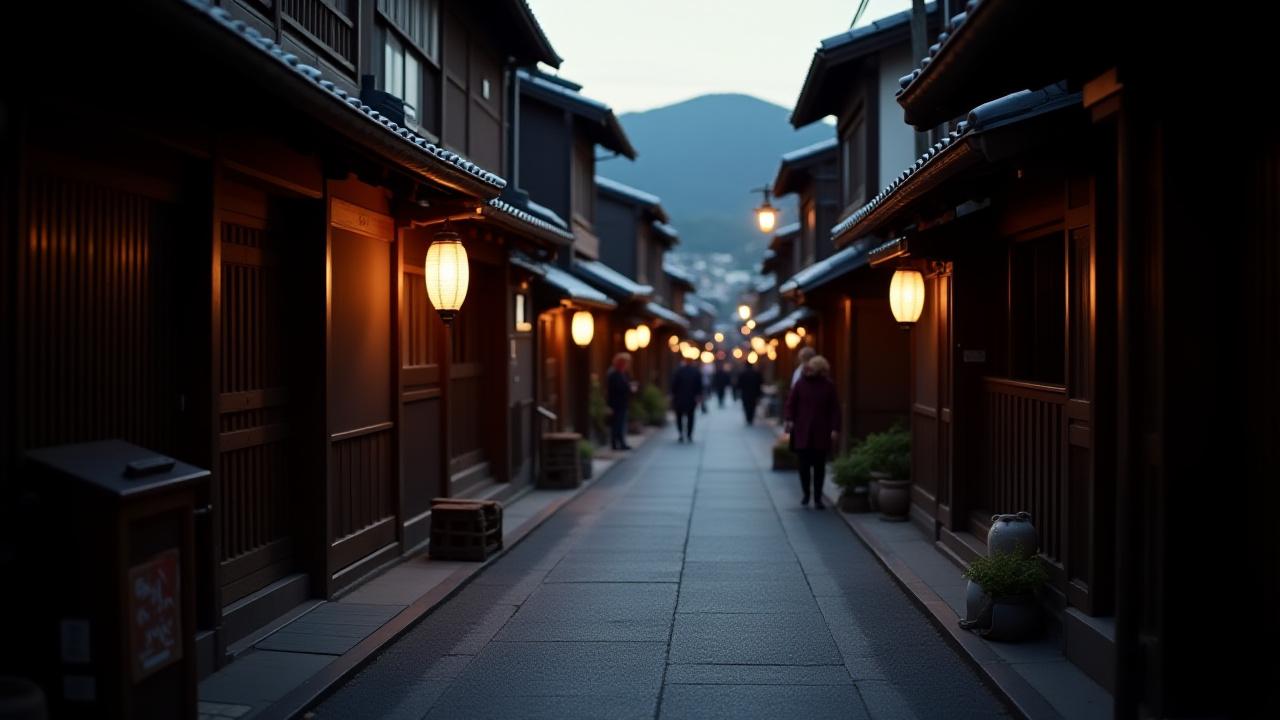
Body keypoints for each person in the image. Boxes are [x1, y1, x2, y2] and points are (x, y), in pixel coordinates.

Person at [785, 355, 841, 509]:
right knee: (803, 465)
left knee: (819, 466)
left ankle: (817, 497)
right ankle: (805, 494)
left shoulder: (828, 386)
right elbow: (791, 403)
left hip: (821, 431)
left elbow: (834, 409)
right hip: (803, 430)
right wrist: (789, 419)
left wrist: (835, 428)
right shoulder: (800, 384)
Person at [670, 355, 703, 442]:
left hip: (679, 398)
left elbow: (673, 385)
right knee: (691, 417)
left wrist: (673, 395)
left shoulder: (679, 371)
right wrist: (698, 396)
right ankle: (689, 434)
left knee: (679, 417)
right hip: (691, 398)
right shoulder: (696, 372)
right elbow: (699, 386)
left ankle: (681, 433)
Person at [606, 352, 634, 450]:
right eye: (626, 363)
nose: (627, 365)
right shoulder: (613, 374)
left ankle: (621, 442)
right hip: (616, 404)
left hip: (622, 403)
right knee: (616, 424)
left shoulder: (623, 374)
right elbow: (613, 390)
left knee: (621, 424)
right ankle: (616, 443)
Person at [737, 360, 763, 425]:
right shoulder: (756, 373)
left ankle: (748, 418)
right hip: (753, 393)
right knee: (752, 406)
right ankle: (751, 418)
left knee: (746, 406)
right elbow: (760, 384)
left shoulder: (743, 374)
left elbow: (739, 384)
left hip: (745, 393)